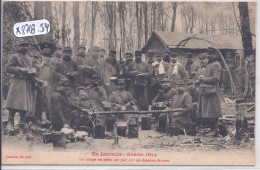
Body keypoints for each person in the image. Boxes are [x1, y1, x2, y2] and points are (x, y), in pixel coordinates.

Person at [5, 40, 38, 131]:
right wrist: (21, 69)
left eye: (26, 46)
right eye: (23, 46)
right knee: (13, 104)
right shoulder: (14, 56)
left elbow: (33, 70)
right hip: (18, 82)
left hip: (27, 83)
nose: (25, 47)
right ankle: (10, 123)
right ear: (19, 47)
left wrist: (33, 72)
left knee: (24, 106)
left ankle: (21, 125)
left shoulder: (30, 58)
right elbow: (7, 68)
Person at [197, 53, 223, 136]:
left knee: (213, 110)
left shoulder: (216, 65)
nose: (203, 61)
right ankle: (211, 129)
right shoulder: (208, 65)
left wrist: (203, 79)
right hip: (206, 91)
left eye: (204, 59)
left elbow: (216, 78)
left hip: (212, 91)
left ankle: (215, 130)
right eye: (201, 59)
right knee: (208, 111)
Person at [36, 42, 56, 124]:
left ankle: (49, 117)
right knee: (41, 98)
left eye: (48, 49)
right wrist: (42, 63)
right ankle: (40, 116)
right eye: (44, 48)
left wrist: (50, 65)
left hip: (51, 83)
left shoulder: (54, 59)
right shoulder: (38, 59)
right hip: (41, 81)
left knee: (49, 99)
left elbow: (56, 71)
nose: (46, 50)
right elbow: (36, 69)